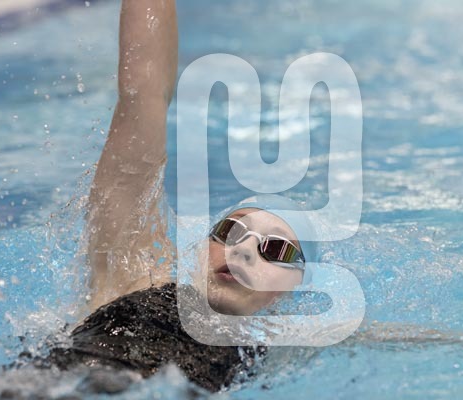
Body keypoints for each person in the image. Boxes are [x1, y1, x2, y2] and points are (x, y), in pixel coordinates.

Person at [39, 0, 316, 393]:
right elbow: (143, 93)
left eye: (274, 248)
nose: (242, 250)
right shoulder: (133, 273)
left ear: (295, 285)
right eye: (229, 231)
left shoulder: (290, 346)